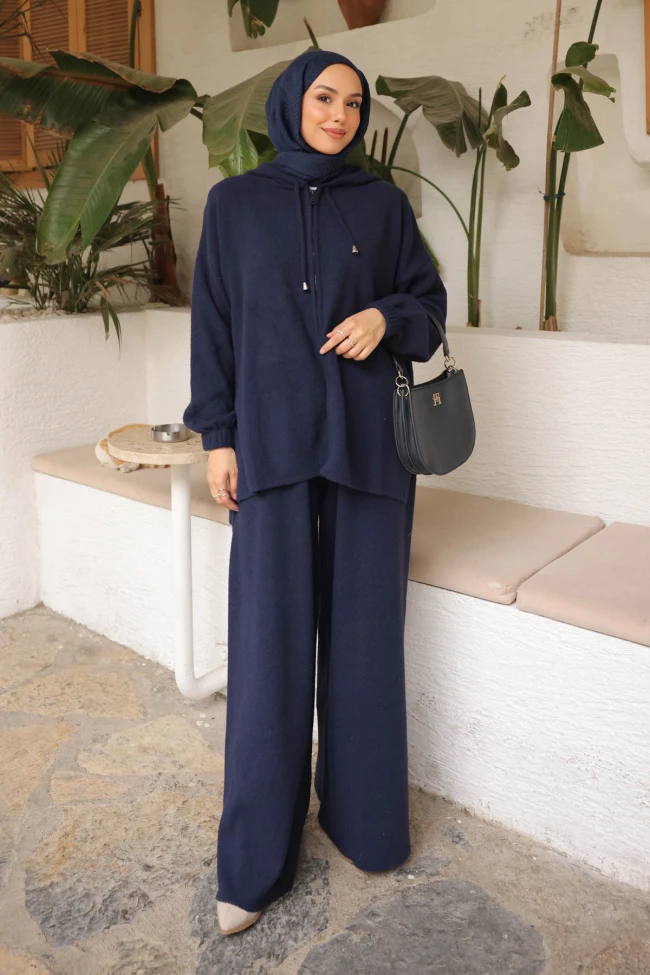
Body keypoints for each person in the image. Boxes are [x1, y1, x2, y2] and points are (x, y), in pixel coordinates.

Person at [182, 48, 447, 937]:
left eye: (355, 103)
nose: (340, 114)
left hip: (372, 449)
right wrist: (218, 436)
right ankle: (255, 862)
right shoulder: (234, 204)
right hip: (270, 446)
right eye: (325, 97)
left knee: (367, 645)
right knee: (268, 650)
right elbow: (214, 326)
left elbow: (429, 307)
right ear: (293, 102)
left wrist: (385, 316)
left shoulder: (383, 204)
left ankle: (364, 821)